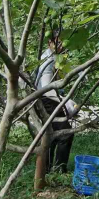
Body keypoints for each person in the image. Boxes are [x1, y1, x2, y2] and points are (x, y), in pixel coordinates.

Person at [35, 34, 74, 173]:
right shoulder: (48, 60)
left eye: (63, 43)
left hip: (50, 98)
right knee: (66, 133)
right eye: (58, 43)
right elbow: (46, 88)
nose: (61, 46)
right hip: (48, 100)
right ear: (49, 43)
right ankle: (58, 170)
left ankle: (47, 168)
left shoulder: (56, 57)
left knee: (51, 134)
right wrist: (65, 101)